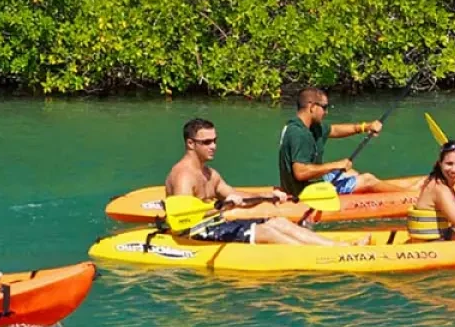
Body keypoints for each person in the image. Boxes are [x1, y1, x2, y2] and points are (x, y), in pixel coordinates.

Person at [167, 118, 340, 246]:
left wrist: (265, 197)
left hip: (215, 225)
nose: (213, 146)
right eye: (206, 142)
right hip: (193, 234)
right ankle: (317, 256)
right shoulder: (184, 175)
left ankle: (338, 247)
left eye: (214, 140)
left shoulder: (210, 174)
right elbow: (184, 220)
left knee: (277, 221)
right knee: (267, 232)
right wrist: (223, 206)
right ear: (190, 143)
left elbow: (235, 196)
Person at [277, 86, 390, 197]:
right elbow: (300, 173)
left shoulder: (306, 126)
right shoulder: (299, 133)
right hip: (307, 191)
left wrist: (365, 127)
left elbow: (334, 130)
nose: (326, 112)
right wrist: (336, 165)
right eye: (324, 107)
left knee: (352, 173)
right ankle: (407, 197)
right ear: (312, 107)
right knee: (368, 180)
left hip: (309, 183)